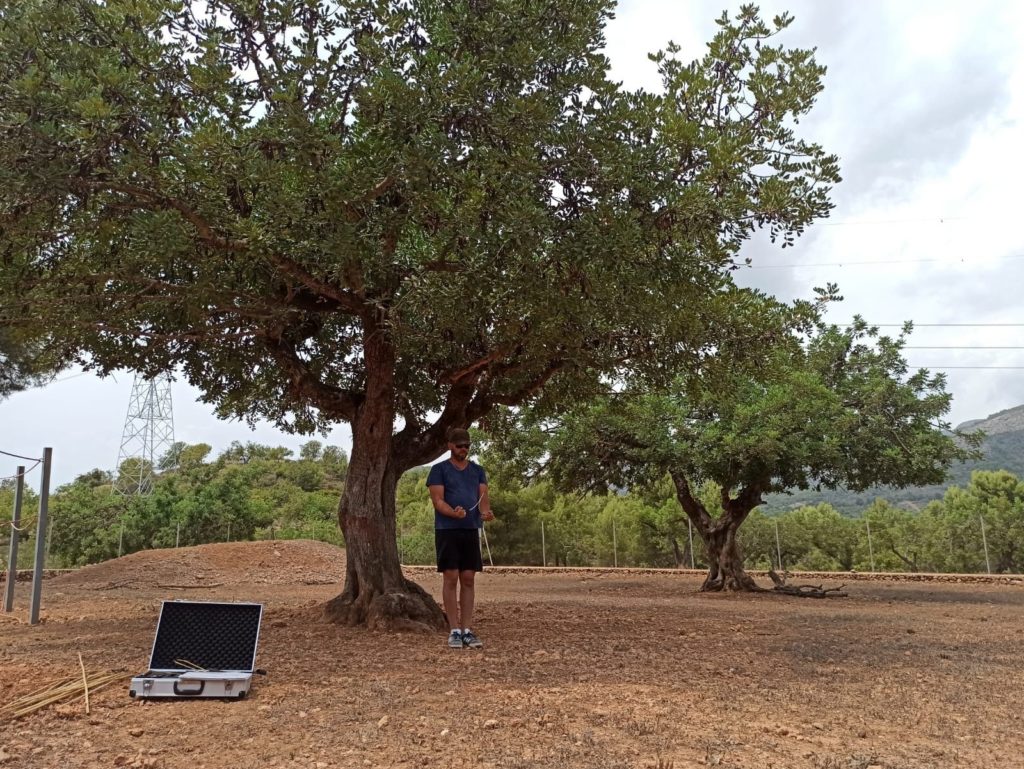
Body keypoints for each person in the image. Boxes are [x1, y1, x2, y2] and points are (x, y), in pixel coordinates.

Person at [427, 427, 495, 649]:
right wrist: (452, 512)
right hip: (447, 529)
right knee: (451, 576)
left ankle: (467, 629)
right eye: (459, 445)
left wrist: (486, 514)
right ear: (449, 446)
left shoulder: (477, 471)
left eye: (467, 445)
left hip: (469, 529)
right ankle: (454, 630)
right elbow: (438, 501)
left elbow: (483, 498)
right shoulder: (439, 470)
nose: (463, 449)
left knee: (468, 578)